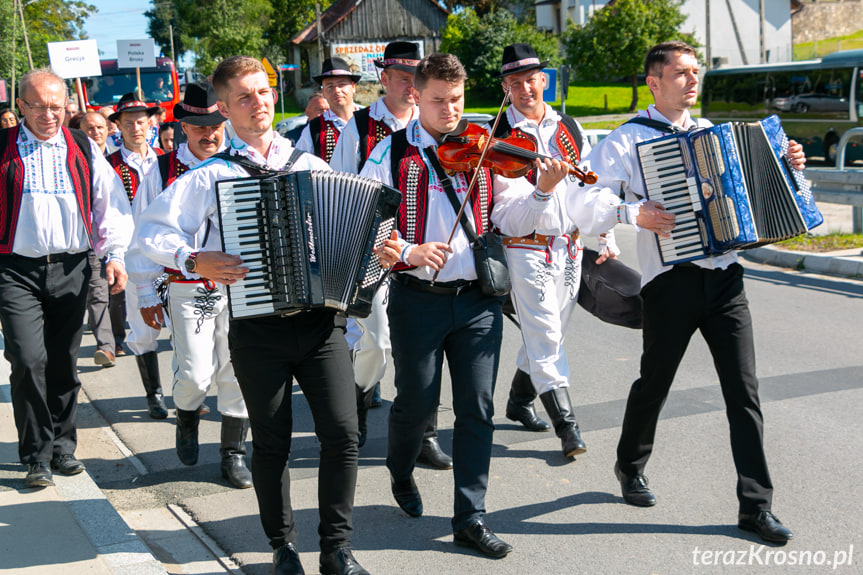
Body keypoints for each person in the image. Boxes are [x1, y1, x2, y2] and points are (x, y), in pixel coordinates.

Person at [136, 56, 370, 575]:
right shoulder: (211, 176)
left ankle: (336, 549)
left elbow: (351, 231)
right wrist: (194, 258)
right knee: (272, 441)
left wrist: (383, 251)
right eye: (244, 97)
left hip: (319, 324)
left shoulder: (309, 165)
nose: (258, 102)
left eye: (263, 92)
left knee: (343, 434)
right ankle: (283, 547)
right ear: (224, 109)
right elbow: (150, 234)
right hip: (257, 328)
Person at [562, 41, 800, 544]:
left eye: (697, 72)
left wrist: (788, 164)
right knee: (655, 383)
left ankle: (755, 507)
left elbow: (759, 191)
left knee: (744, 392)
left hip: (726, 276)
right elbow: (583, 201)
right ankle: (630, 464)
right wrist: (632, 214)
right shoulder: (628, 139)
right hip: (669, 282)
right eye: (681, 73)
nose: (693, 81)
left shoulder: (717, 134)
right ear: (654, 82)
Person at [365, 52, 552, 559]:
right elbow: (368, 221)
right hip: (416, 299)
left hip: (477, 301)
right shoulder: (390, 153)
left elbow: (511, 217)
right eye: (438, 101)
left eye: (458, 100)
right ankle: (400, 467)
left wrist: (542, 191)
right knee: (415, 402)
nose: (450, 111)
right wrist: (409, 250)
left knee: (477, 410)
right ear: (415, 97)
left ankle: (471, 516)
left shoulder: (485, 146)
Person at [0, 68, 132, 488]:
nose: (48, 114)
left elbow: (107, 205)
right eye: (38, 106)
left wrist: (113, 255)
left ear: (67, 107)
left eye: (56, 106)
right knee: (26, 358)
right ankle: (36, 454)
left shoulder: (82, 147)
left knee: (62, 361)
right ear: (21, 106)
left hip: (73, 265)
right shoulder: (2, 148)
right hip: (15, 269)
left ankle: (62, 448)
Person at [489, 43, 619, 457]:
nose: (525, 88)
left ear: (544, 80)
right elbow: (503, 215)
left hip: (571, 247)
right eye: (515, 83)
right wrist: (541, 195)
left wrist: (604, 233)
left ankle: (518, 400)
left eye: (531, 79)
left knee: (551, 333)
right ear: (505, 89)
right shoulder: (500, 139)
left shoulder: (569, 127)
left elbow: (589, 189)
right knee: (545, 334)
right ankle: (568, 428)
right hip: (525, 248)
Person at [330, 41, 450, 468]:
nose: (411, 84)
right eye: (403, 76)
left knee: (425, 352)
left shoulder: (436, 122)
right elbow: (341, 193)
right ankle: (359, 404)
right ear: (384, 79)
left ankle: (425, 434)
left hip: (427, 261)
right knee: (375, 345)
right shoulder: (359, 128)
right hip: (375, 254)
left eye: (417, 75)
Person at [130, 81, 252, 489]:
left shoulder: (242, 163)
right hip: (189, 283)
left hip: (240, 283)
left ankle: (233, 453)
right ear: (183, 127)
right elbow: (142, 233)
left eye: (217, 123)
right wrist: (146, 290)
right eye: (199, 125)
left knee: (239, 368)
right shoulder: (162, 171)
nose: (209, 132)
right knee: (197, 375)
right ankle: (186, 415)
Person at [107, 92, 167, 419]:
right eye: (128, 122)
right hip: (133, 257)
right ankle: (154, 393)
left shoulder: (165, 160)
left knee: (186, 325)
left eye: (141, 121)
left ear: (151, 123)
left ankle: (186, 389)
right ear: (118, 127)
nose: (136, 127)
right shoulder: (108, 166)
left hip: (169, 255)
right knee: (144, 330)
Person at [79, 111, 119, 367]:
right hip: (86, 239)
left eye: (99, 127)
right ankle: (106, 347)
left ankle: (119, 338)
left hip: (116, 238)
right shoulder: (74, 160)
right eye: (88, 129)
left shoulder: (118, 161)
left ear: (108, 130)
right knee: (97, 293)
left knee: (116, 293)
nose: (95, 133)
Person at [295, 57, 361, 163]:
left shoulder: (371, 120)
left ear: (353, 87)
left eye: (342, 84)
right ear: (323, 91)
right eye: (330, 86)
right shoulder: (313, 129)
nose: (336, 90)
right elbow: (299, 165)